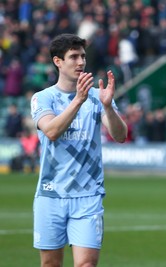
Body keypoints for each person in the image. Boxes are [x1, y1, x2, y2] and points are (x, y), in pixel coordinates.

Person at [30, 33, 128, 267]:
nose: (81, 62)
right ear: (58, 62)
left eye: (82, 56)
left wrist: (108, 107)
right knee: (50, 264)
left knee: (86, 265)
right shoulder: (43, 98)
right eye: (73, 57)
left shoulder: (97, 97)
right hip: (50, 194)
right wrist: (78, 100)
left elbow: (120, 135)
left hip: (88, 195)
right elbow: (52, 131)